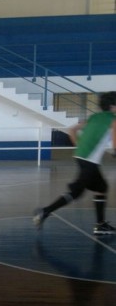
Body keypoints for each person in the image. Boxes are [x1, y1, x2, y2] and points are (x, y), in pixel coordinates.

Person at [34, 91, 116, 235]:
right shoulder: (113, 119)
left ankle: (101, 224)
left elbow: (72, 130)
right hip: (90, 161)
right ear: (113, 106)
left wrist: (79, 146)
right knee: (76, 192)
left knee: (101, 187)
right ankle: (45, 211)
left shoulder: (94, 117)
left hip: (80, 156)